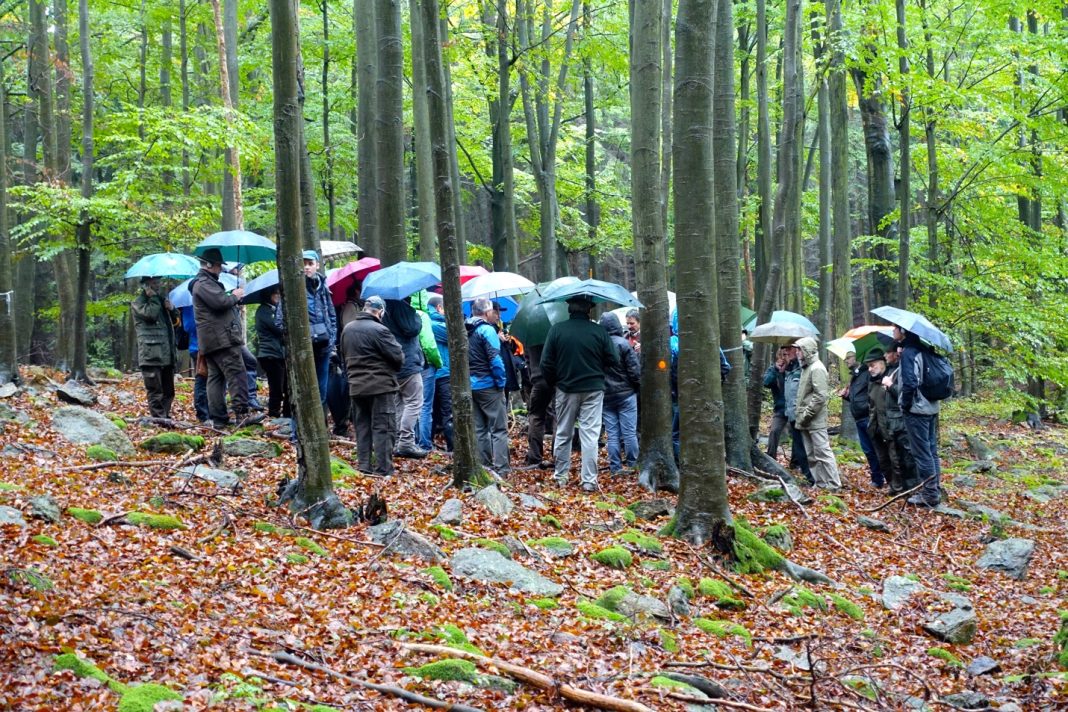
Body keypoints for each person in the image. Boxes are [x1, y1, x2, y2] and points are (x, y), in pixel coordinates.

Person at [541, 295, 618, 491]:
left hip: (565, 389)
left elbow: (545, 364)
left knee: (563, 432)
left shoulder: (556, 330)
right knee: (590, 436)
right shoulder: (599, 331)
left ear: (569, 309)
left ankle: (560, 477)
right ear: (588, 310)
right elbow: (614, 360)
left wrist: (556, 382)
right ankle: (589, 481)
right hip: (593, 389)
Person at [340, 296, 404, 477]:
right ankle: (383, 469)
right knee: (384, 428)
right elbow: (398, 357)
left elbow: (344, 356)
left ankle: (364, 467)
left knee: (362, 428)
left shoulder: (348, 329)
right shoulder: (380, 330)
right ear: (380, 311)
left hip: (356, 387)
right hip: (380, 387)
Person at [191, 248, 249, 427]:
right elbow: (220, 303)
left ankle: (219, 419)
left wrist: (233, 300)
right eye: (217, 265)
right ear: (209, 265)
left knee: (216, 379)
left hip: (214, 340)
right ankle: (242, 415)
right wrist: (234, 295)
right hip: (222, 339)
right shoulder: (204, 284)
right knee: (237, 374)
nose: (220, 269)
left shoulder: (204, 283)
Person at [896, 326, 943, 507]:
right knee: (931, 451)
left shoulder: (909, 352)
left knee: (922, 453)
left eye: (895, 329)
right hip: (930, 407)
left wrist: (905, 405)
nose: (893, 332)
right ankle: (934, 488)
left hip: (917, 410)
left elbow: (910, 383)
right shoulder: (925, 348)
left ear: (903, 331)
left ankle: (930, 493)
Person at [466, 297, 510, 475]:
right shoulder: (487, 330)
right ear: (486, 312)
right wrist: (501, 382)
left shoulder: (464, 328)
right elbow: (495, 359)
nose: (494, 314)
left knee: (480, 429)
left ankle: (484, 467)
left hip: (470, 385)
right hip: (488, 385)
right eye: (492, 311)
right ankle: (502, 469)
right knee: (499, 429)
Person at [865, 348, 917, 495]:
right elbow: (871, 405)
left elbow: (903, 397)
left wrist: (889, 386)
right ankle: (892, 485)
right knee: (883, 460)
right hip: (876, 428)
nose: (870, 369)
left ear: (882, 363)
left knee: (896, 460)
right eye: (868, 366)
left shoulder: (893, 376)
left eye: (873, 365)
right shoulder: (872, 382)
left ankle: (900, 488)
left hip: (892, 426)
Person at [793, 336, 841, 490]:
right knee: (811, 454)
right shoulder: (806, 367)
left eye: (799, 349)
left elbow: (820, 396)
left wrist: (806, 414)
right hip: (805, 418)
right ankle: (820, 483)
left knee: (823, 452)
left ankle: (834, 484)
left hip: (814, 419)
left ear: (807, 350)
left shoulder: (817, 368)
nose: (797, 352)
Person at [382, 296, 427, 458]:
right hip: (407, 362)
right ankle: (406, 442)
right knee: (414, 402)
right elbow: (413, 328)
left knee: (399, 403)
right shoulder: (401, 306)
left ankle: (398, 442)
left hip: (392, 363)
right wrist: (417, 316)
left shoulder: (385, 307)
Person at [598, 312, 641, 475]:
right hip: (626, 395)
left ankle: (615, 467)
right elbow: (634, 371)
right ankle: (632, 464)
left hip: (606, 395)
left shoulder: (598, 346)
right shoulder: (624, 344)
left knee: (612, 434)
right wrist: (636, 388)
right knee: (629, 432)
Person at [131, 276, 178, 419]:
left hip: (166, 352)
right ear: (146, 285)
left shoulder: (161, 300)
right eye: (154, 283)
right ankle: (158, 418)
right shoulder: (138, 303)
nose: (157, 285)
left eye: (158, 282)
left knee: (168, 390)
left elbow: (176, 321)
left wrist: (172, 309)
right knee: (155, 389)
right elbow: (151, 315)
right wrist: (154, 299)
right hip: (150, 353)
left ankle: (165, 416)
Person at [840, 349, 885, 488]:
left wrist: (868, 409)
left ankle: (882, 478)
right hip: (859, 418)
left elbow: (871, 394)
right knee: (868, 450)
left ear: (857, 358)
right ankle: (877, 478)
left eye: (849, 357)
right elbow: (858, 397)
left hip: (868, 417)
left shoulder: (866, 374)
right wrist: (846, 396)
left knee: (876, 449)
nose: (846, 360)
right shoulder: (855, 376)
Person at [300, 251, 337, 405]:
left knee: (322, 390)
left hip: (323, 346)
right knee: (304, 390)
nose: (307, 267)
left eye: (310, 264)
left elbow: (332, 315)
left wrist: (331, 338)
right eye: (304, 264)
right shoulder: (294, 288)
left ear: (317, 265)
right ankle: (299, 428)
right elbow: (281, 320)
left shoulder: (323, 287)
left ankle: (320, 427)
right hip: (303, 348)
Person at [412, 291, 442, 452]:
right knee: (425, 406)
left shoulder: (403, 314)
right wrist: (438, 362)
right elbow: (429, 344)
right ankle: (425, 443)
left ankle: (414, 440)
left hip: (410, 365)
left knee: (412, 404)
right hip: (425, 365)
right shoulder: (422, 316)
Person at [426, 295, 454, 451]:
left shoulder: (425, 321)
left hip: (431, 374)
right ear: (439, 308)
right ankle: (453, 447)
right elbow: (456, 335)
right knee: (447, 412)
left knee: (431, 411)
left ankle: (427, 443)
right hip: (442, 373)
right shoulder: (435, 324)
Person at [255, 288, 289, 419]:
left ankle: (287, 414)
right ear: (269, 296)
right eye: (276, 294)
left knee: (286, 385)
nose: (279, 296)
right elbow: (278, 329)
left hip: (278, 354)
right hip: (270, 354)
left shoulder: (272, 311)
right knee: (277, 387)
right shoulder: (264, 311)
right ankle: (274, 414)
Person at [782, 344, 812, 483]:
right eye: (784, 349)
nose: (785, 352)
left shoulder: (804, 369)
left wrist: (806, 413)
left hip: (803, 416)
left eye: (789, 349)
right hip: (792, 415)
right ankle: (809, 476)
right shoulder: (789, 368)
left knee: (807, 448)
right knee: (799, 448)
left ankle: (813, 478)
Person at [180, 305, 209, 423]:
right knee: (202, 379)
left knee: (211, 380)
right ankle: (203, 412)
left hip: (208, 346)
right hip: (198, 348)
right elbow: (189, 326)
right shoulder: (189, 307)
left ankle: (211, 411)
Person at [763, 345, 790, 458]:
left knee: (797, 435)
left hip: (794, 408)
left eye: (786, 355)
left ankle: (796, 462)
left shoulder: (794, 368)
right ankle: (770, 457)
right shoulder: (773, 369)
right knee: (774, 431)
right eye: (782, 355)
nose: (784, 358)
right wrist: (776, 370)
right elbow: (766, 382)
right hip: (780, 408)